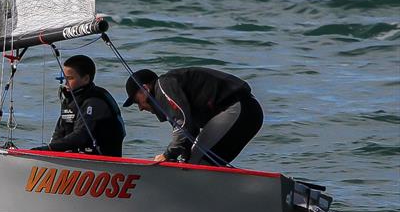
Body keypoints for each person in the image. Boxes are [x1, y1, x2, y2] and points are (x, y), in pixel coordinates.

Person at [123, 67, 263, 166]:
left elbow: (183, 125)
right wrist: (183, 157)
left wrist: (166, 156)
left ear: (145, 89)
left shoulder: (164, 85)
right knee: (198, 164)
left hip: (239, 108)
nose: (140, 108)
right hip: (247, 111)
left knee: (196, 165)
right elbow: (191, 131)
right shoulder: (172, 89)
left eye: (137, 101)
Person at [32, 55, 126, 156]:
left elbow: (81, 135)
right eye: (64, 78)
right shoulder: (69, 100)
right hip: (77, 158)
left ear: (85, 79)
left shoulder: (95, 101)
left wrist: (49, 148)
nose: (65, 83)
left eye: (70, 78)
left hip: (102, 160)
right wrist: (48, 150)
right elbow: (60, 131)